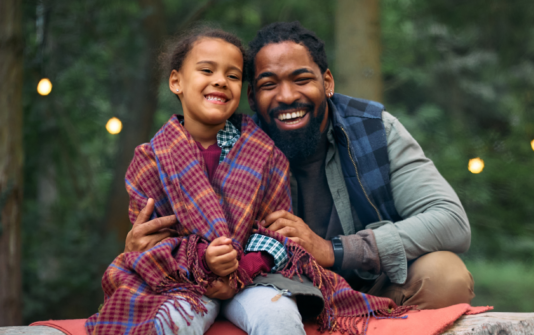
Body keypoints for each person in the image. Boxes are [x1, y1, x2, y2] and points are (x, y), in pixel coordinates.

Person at [88, 26, 406, 335]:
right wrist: (203, 264)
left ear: (243, 91)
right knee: (170, 321)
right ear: (176, 81)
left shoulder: (263, 152)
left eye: (233, 75)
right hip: (183, 284)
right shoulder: (150, 159)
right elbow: (151, 244)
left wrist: (240, 269)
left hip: (254, 278)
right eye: (207, 71)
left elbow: (277, 230)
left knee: (280, 315)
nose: (220, 81)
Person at [127, 21, 475, 310]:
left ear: (327, 83)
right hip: (269, 293)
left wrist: (334, 250)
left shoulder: (374, 129)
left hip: (368, 289)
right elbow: (181, 219)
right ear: (252, 97)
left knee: (445, 275)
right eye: (268, 84)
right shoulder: (232, 142)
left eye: (302, 79)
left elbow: (451, 221)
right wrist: (141, 250)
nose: (287, 96)